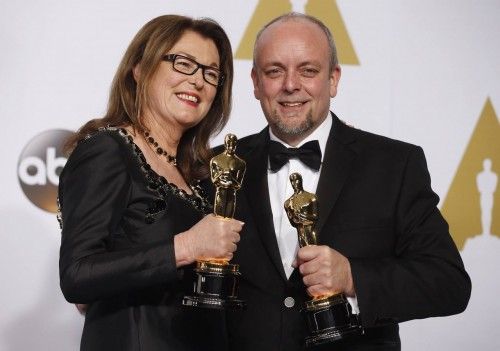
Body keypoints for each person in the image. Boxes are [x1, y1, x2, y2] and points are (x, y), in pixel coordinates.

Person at [223, 12, 471, 351]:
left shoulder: (393, 165)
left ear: (334, 79)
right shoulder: (214, 167)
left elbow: (448, 283)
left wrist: (353, 278)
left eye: (308, 70)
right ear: (255, 81)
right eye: (274, 71)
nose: (291, 84)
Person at [58, 15, 242, 351]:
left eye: (211, 73)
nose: (198, 81)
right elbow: (77, 274)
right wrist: (184, 247)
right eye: (183, 63)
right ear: (139, 69)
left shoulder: (199, 177)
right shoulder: (108, 151)